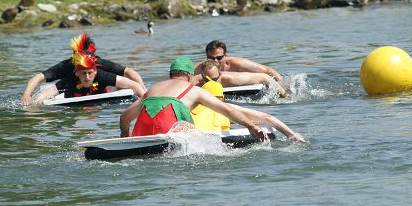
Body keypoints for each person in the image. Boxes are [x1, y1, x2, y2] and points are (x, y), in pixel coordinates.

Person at [119, 56, 305, 142]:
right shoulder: (193, 90)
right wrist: (252, 127)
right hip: (170, 131)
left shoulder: (153, 89)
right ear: (191, 76)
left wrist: (125, 137)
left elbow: (124, 117)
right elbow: (229, 111)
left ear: (170, 75)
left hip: (141, 130)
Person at [21, 33, 147, 105]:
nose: (87, 75)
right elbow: (38, 78)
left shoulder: (99, 65)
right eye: (83, 72)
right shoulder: (67, 68)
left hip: (100, 90)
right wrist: (27, 96)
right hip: (72, 89)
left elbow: (129, 73)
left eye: (90, 72)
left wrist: (145, 94)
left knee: (122, 84)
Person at [193, 40, 287, 97]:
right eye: (211, 58)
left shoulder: (237, 63)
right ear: (206, 57)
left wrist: (282, 85)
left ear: (225, 56)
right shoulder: (199, 68)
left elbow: (268, 71)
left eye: (219, 58)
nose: (215, 61)